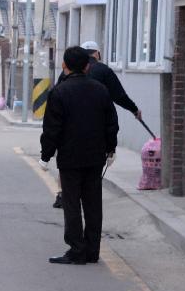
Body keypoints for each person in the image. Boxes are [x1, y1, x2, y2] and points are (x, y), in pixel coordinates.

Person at [39, 46, 118, 265]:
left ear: (64, 66)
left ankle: (76, 249)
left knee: (72, 202)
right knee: (93, 203)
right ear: (87, 66)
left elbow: (52, 128)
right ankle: (92, 250)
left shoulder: (59, 92)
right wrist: (110, 149)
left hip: (70, 156)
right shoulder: (100, 90)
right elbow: (111, 123)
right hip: (95, 156)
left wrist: (46, 155)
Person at [51, 40, 141, 209]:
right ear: (97, 54)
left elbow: (55, 100)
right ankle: (88, 201)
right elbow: (119, 96)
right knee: (91, 169)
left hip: (68, 132)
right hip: (94, 132)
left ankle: (63, 194)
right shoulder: (103, 70)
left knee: (67, 166)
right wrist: (134, 110)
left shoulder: (66, 73)